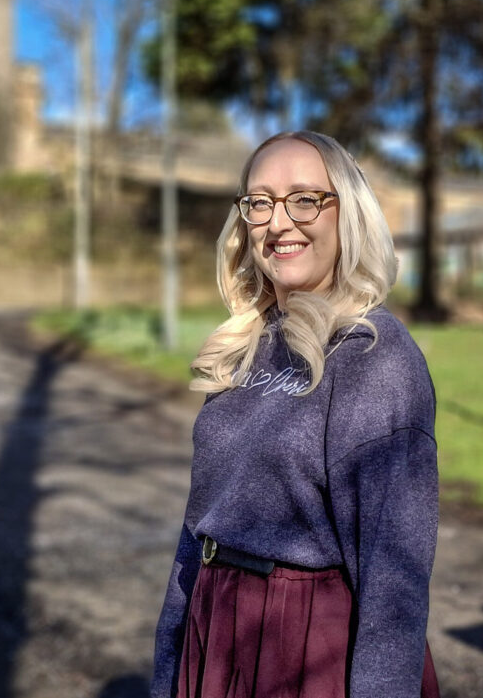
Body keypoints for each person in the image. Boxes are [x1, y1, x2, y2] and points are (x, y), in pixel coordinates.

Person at [150, 130, 440, 698]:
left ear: (347, 215)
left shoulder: (375, 357)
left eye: (305, 198)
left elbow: (394, 582)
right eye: (260, 202)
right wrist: (169, 665)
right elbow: (200, 527)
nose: (278, 222)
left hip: (306, 648)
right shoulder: (247, 344)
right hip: (216, 628)